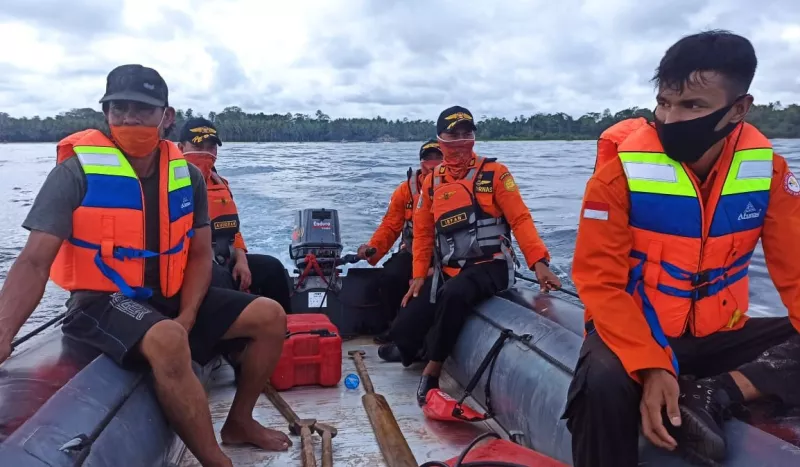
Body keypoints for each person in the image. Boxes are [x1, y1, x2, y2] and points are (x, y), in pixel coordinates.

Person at [0, 65, 291, 467]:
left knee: (270, 316)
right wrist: (3, 332)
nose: (130, 118)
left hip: (169, 298)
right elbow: (33, 260)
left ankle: (240, 421)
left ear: (166, 116)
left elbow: (200, 254)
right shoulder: (75, 172)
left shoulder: (187, 176)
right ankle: (216, 460)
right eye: (119, 108)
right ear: (105, 113)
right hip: (101, 303)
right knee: (168, 338)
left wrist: (189, 315)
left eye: (142, 108)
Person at [563, 31, 800, 467]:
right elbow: (599, 283)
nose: (670, 119)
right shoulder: (618, 176)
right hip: (636, 330)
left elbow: (796, 273)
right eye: (664, 102)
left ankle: (718, 392)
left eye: (692, 106)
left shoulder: (768, 171)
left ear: (739, 109)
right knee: (601, 383)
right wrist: (652, 365)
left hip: (719, 333)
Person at [399, 106, 562, 405]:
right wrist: (419, 276)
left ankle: (432, 372)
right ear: (440, 138)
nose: (461, 140)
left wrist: (539, 264)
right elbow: (422, 234)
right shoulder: (432, 183)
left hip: (491, 265)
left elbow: (520, 220)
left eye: (467, 133)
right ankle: (424, 345)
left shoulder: (496, 174)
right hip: (450, 269)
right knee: (403, 334)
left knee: (456, 294)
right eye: (453, 134)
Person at [177, 117, 292, 314]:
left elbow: (233, 230)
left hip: (225, 257)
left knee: (272, 269)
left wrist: (241, 259)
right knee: (220, 279)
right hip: (189, 265)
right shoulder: (171, 185)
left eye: (211, 147)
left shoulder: (221, 183)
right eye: (199, 146)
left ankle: (283, 332)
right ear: (180, 147)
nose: (206, 152)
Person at [356, 139, 443, 350]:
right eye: (428, 158)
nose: (432, 163)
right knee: (391, 277)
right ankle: (393, 326)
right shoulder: (405, 191)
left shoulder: (455, 188)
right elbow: (391, 225)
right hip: (414, 251)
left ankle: (421, 335)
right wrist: (371, 249)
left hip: (446, 254)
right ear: (421, 161)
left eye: (438, 158)